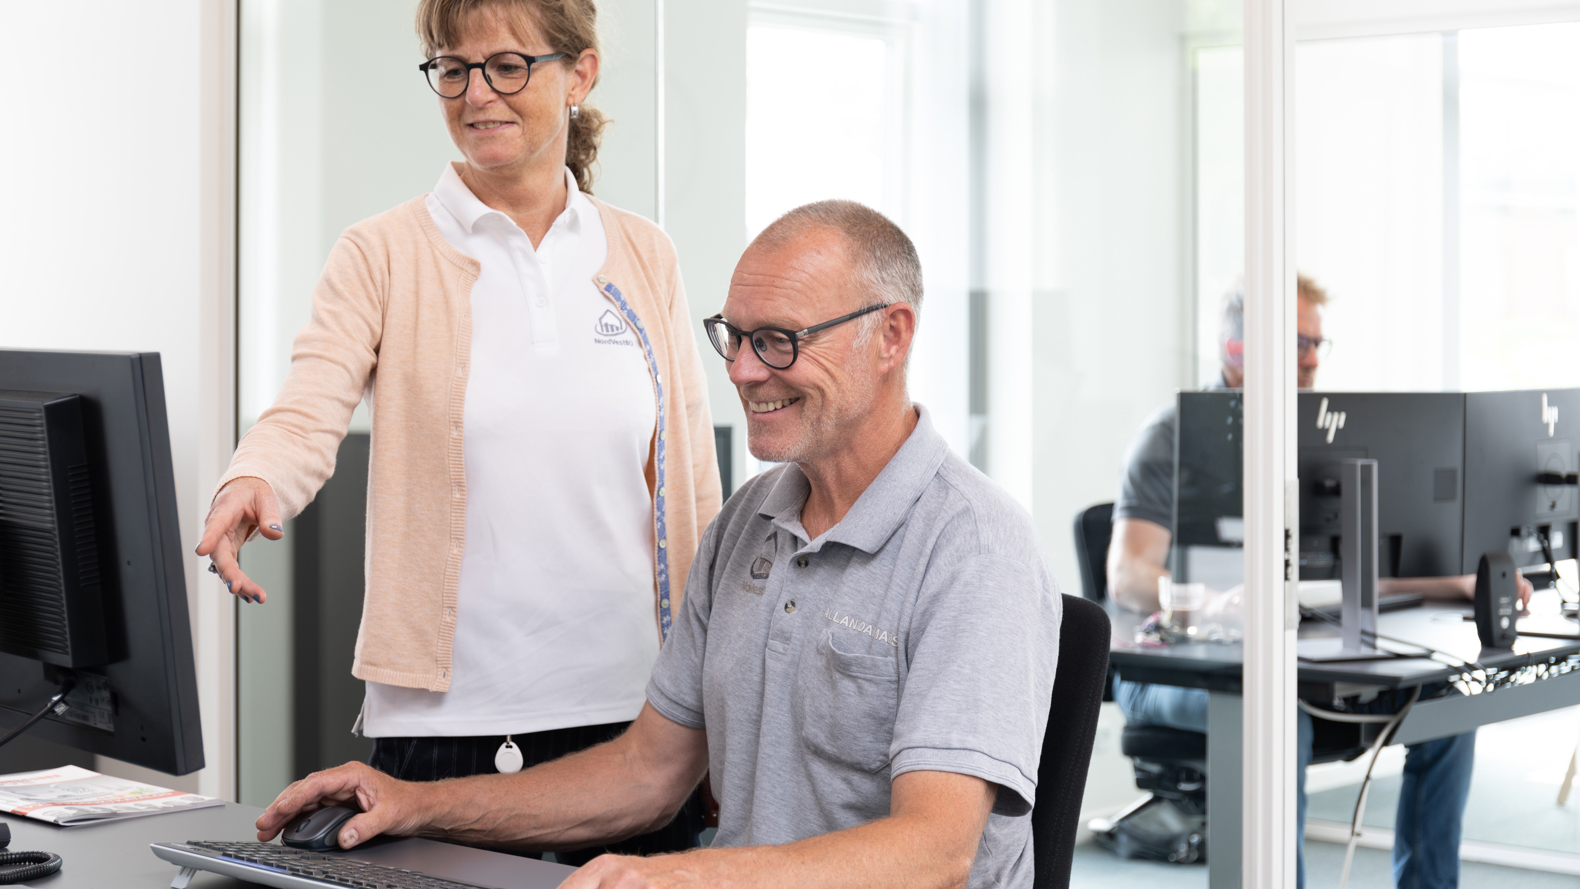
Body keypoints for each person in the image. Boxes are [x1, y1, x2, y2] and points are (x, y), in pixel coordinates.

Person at [254, 200, 1063, 889]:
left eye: (778, 340)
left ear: (891, 337)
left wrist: (685, 874)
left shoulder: (973, 549)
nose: (744, 372)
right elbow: (647, 774)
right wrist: (412, 801)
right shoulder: (750, 523)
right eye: (734, 337)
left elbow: (937, 849)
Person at [197, 0, 719, 863]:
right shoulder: (383, 251)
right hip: (448, 729)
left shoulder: (643, 253)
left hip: (636, 728)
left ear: (578, 74)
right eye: (453, 67)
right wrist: (253, 480)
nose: (477, 93)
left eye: (508, 65)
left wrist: (711, 701)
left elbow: (692, 489)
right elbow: (308, 403)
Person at [1104, 276, 1527, 888]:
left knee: (1447, 707)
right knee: (1279, 720)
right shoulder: (1171, 435)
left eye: (1315, 344)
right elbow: (1126, 574)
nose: (1308, 358)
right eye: (1295, 341)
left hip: (1289, 659)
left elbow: (1350, 568)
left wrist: (1461, 583)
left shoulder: (1311, 431)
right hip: (1176, 666)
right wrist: (1207, 601)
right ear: (1236, 349)